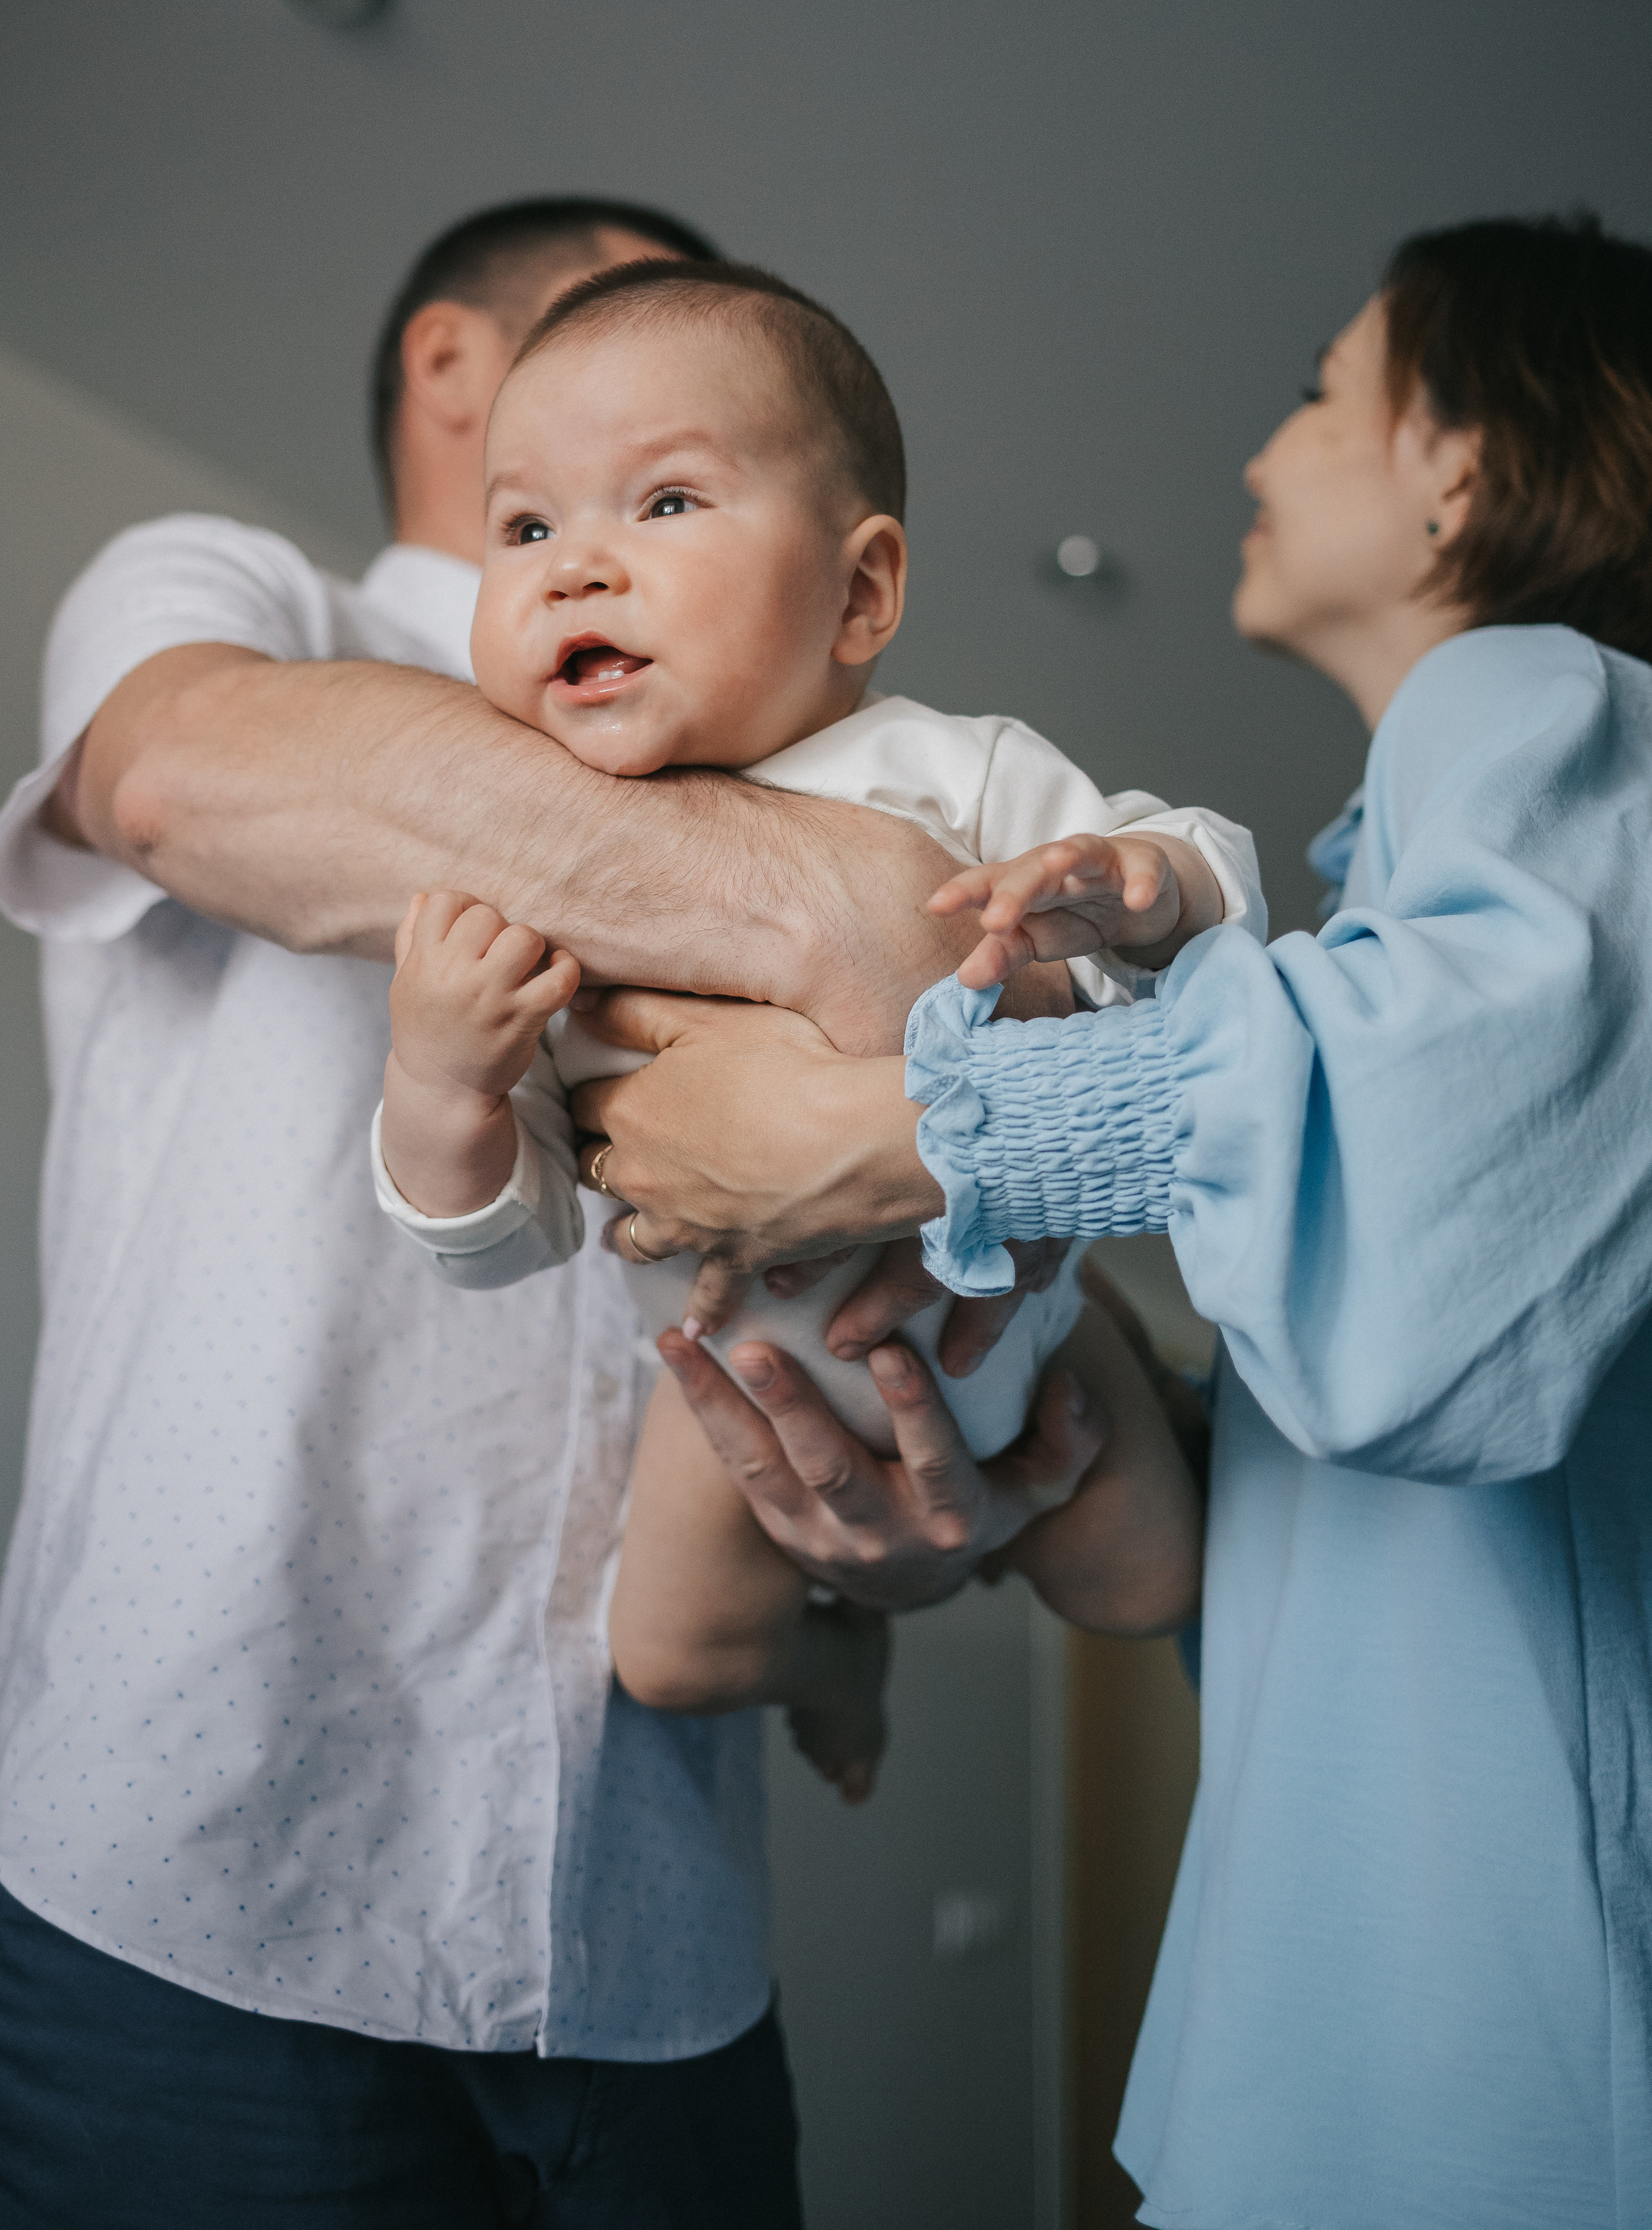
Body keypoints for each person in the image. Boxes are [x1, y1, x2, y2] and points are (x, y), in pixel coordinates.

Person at [0, 195, 1103, 2229]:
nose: (609, 540)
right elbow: (166, 777)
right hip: (206, 1886)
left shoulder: (859, 751)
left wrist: (873, 1579)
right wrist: (859, 912)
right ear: (457, 372)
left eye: (686, 471)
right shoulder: (247, 599)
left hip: (647, 1939)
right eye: (607, 347)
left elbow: (935, 1207)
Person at [575, 211, 1652, 2224]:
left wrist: (895, 1133)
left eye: (1324, 390)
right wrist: (1034, 1425)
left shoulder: (1550, 702)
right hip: (1391, 2035)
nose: (1261, 453)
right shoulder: (1405, 877)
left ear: (1467, 466)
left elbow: (1441, 1199)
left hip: (1495, 2066)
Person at [371, 256, 1247, 1789]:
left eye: (661, 504)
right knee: (670, 1654)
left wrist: (1143, 883)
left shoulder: (946, 772)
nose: (574, 565)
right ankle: (835, 1661)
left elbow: (1215, 931)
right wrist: (439, 1083)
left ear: (860, 591)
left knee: (1151, 1587)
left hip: (1030, 1333)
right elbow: (507, 1239)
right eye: (524, 527)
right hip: (740, 1381)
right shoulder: (537, 882)